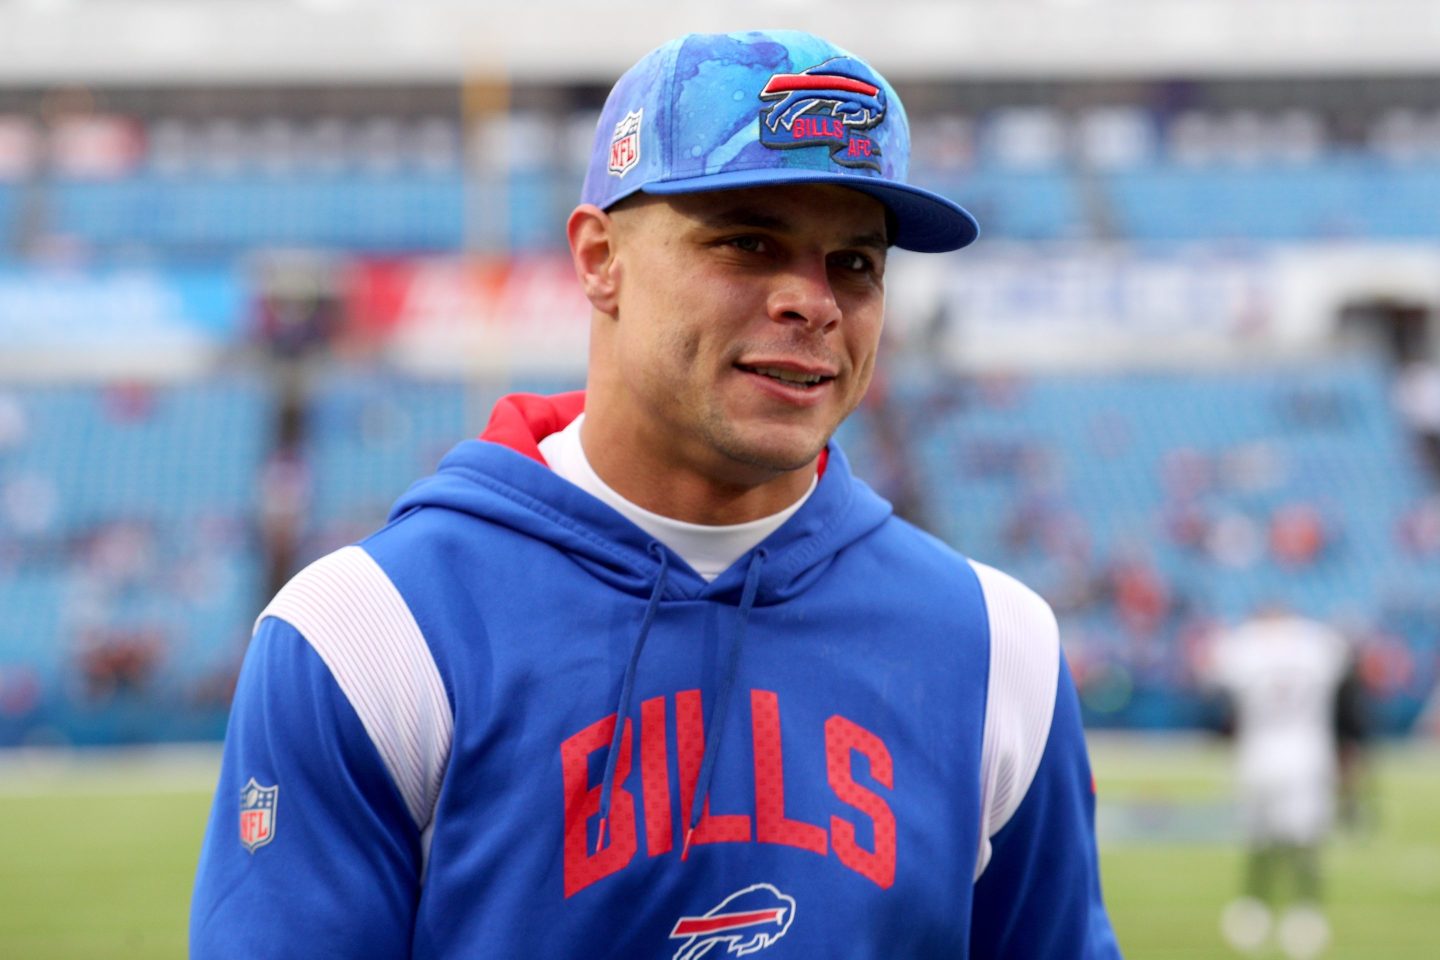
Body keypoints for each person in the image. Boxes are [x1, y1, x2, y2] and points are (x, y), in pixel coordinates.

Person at [191, 30, 1120, 959]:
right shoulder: (370, 634)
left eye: (856, 263)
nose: (815, 301)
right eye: (749, 242)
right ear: (600, 259)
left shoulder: (999, 644)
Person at [1207, 605, 1350, 960]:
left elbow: (1211, 682)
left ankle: (1256, 909)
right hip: (1306, 755)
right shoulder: (1319, 643)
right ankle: (1304, 912)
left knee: (1262, 840)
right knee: (1303, 842)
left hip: (1260, 755)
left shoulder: (1242, 645)